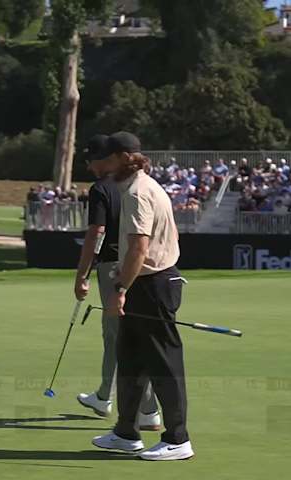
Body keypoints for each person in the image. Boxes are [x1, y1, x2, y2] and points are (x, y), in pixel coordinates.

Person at [90, 131, 193, 461]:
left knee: (164, 363)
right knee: (130, 358)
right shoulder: (136, 186)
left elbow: (139, 248)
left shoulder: (137, 192)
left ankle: (178, 439)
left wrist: (120, 289)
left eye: (105, 157)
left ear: (122, 158)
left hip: (152, 284)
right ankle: (125, 433)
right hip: (146, 282)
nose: (100, 164)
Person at [74, 135, 160, 431]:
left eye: (91, 161)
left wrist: (82, 274)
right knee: (125, 337)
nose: (89, 167)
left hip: (114, 268)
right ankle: (131, 405)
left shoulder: (102, 188)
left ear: (105, 159)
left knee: (119, 338)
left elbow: (96, 232)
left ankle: (130, 406)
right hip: (137, 267)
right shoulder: (137, 182)